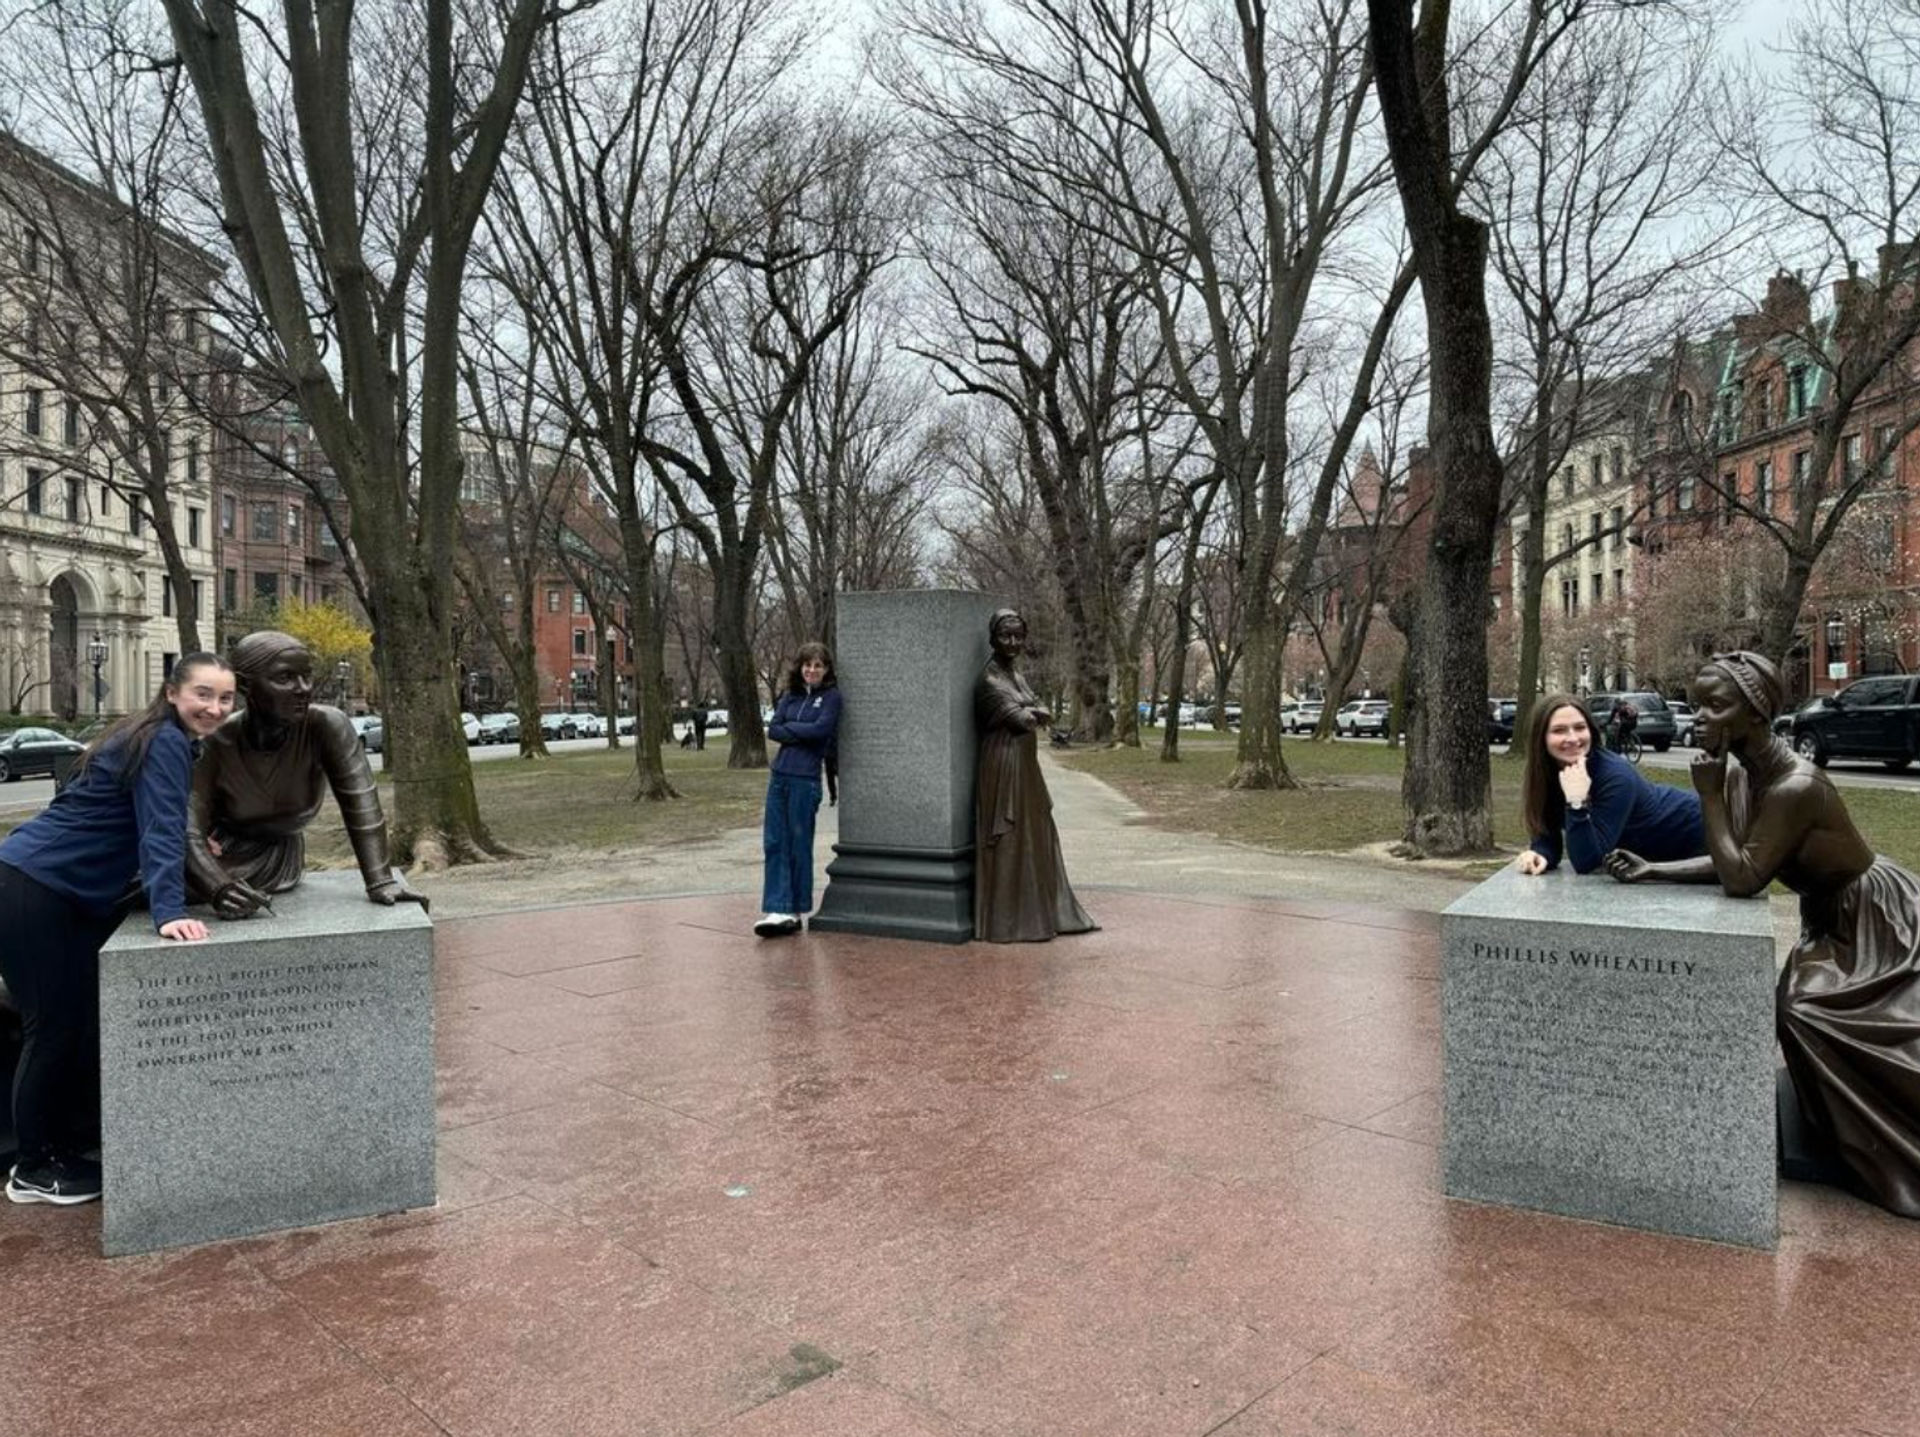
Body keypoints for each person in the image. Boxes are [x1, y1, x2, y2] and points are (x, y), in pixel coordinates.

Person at [1606, 651, 1920, 1218]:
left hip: (1873, 920)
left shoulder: (1795, 786)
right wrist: (1656, 869)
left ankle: (1877, 1144)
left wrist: (1707, 797)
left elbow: (1745, 878)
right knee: (1802, 1007)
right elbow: (1744, 859)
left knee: (1805, 1009)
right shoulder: (1750, 772)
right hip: (1829, 915)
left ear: (1755, 714)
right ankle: (1831, 1116)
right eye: (1696, 703)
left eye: (1714, 705)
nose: (1697, 718)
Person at [0, 653, 235, 1206]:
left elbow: (100, 809)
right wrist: (169, 909)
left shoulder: (147, 733)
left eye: (226, 699)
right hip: (35, 889)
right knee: (52, 1028)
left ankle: (65, 1144)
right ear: (174, 692)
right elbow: (161, 828)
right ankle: (32, 1169)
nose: (215, 708)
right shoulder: (166, 741)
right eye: (204, 694)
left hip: (41, 884)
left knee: (73, 1023)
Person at [185, 631, 426, 916]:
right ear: (246, 685)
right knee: (156, 876)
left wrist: (380, 881)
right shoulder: (215, 742)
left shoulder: (327, 726)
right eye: (285, 678)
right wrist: (218, 887)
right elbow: (186, 829)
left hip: (275, 856)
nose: (302, 689)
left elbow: (362, 805)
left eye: (306, 676)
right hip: (216, 852)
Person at [973, 609, 1096, 942]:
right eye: (1005, 636)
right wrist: (1033, 711)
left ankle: (1036, 911)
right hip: (1003, 764)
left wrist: (1035, 711)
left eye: (1018, 636)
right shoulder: (990, 679)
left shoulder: (1016, 675)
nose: (1013, 642)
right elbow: (1025, 719)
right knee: (1010, 837)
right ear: (992, 638)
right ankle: (1007, 921)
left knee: (1036, 829)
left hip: (1026, 763)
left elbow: (1041, 710)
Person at [1513, 692, 1704, 877]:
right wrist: (1540, 854)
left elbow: (1587, 862)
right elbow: (1548, 838)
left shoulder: (1616, 775)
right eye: (1559, 730)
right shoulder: (1547, 774)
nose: (1572, 738)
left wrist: (1576, 802)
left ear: (1591, 731)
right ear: (1541, 738)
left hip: (1702, 830)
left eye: (1580, 727)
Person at [755, 644, 842, 937]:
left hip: (805, 780)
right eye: (807, 665)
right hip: (779, 776)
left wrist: (792, 729)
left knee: (797, 844)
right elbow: (773, 729)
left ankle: (794, 909)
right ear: (800, 667)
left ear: (827, 670)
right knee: (774, 841)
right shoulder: (790, 696)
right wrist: (800, 730)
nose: (812, 670)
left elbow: (821, 732)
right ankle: (778, 907)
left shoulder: (831, 698)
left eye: (818, 665)